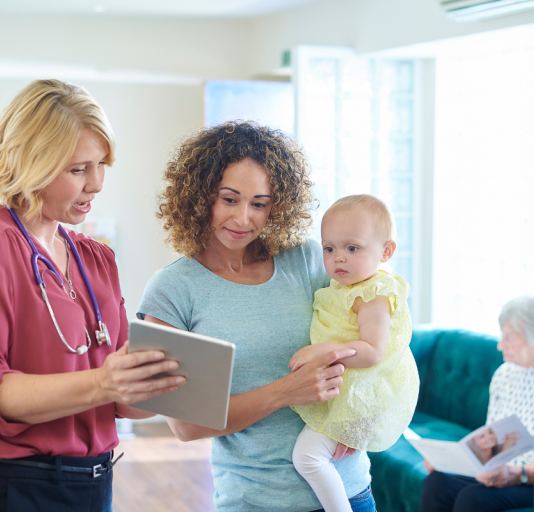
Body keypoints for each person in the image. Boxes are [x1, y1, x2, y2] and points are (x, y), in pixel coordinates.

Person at [0, 79, 185, 512]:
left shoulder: (96, 259)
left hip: (94, 485)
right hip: (16, 490)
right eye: (78, 169)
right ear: (31, 163)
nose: (97, 183)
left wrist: (188, 382)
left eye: (102, 164)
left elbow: (122, 401)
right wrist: (103, 381)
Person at [138, 121, 375, 512]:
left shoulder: (308, 260)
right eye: (229, 199)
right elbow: (186, 425)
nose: (243, 218)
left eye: (259, 204)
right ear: (199, 197)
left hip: (349, 492)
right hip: (255, 501)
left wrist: (363, 415)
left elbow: (372, 333)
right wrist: (286, 391)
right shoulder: (172, 290)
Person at [288, 195, 420, 512]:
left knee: (307, 457)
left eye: (352, 248)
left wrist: (322, 352)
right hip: (345, 390)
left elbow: (374, 351)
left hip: (360, 395)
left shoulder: (374, 293)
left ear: (386, 251)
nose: (338, 259)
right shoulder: (341, 288)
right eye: (329, 248)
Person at [421, 295, 534, 512]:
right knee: (437, 482)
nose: (501, 345)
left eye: (510, 338)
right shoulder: (505, 373)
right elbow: (493, 438)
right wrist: (451, 460)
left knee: (473, 498)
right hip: (497, 469)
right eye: (502, 335)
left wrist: (519, 474)